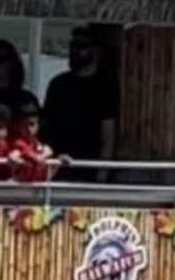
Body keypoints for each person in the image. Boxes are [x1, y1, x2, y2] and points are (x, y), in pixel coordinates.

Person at [42, 26, 119, 181]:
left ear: (96, 51)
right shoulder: (58, 84)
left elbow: (108, 135)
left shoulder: (106, 86)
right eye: (72, 46)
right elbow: (46, 128)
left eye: (82, 46)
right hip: (59, 167)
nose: (75, 51)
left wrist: (101, 175)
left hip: (90, 168)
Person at [7, 100, 62, 184]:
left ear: (38, 125)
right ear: (17, 126)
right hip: (18, 190)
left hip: (37, 190)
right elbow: (19, 153)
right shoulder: (15, 143)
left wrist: (59, 161)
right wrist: (39, 157)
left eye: (32, 124)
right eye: (24, 125)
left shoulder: (40, 146)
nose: (29, 129)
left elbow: (46, 172)